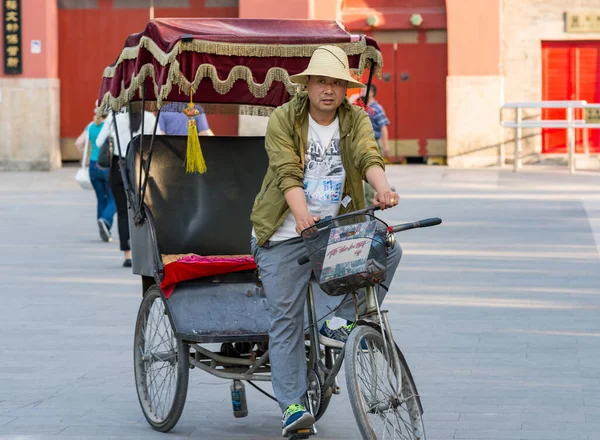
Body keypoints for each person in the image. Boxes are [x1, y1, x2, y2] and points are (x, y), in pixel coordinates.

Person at [249, 46, 402, 437]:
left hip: (333, 230)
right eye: (322, 81)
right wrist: (301, 217)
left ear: (345, 88)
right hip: (284, 234)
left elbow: (369, 155)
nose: (329, 90)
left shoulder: (355, 118)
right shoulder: (285, 118)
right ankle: (294, 406)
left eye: (337, 83)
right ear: (309, 85)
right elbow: (287, 173)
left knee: (387, 247)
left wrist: (383, 189)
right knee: (286, 319)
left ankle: (339, 322)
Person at [96, 110, 161, 267]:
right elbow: (158, 139)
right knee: (145, 209)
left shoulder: (114, 116)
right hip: (142, 166)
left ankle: (128, 255)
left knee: (123, 211)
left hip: (120, 167)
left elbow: (99, 142)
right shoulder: (149, 117)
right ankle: (147, 252)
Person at [74, 111, 116, 242]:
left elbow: (78, 143)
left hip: (93, 166)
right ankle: (105, 221)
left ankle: (104, 229)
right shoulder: (110, 125)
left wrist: (85, 158)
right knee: (113, 198)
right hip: (108, 165)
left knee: (100, 198)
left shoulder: (90, 126)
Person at [361, 84, 391, 204]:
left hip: (374, 144)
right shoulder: (363, 107)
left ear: (371, 93)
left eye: (364, 90)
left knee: (371, 171)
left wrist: (386, 145)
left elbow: (383, 127)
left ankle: (370, 200)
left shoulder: (376, 108)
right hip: (364, 144)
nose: (361, 93)